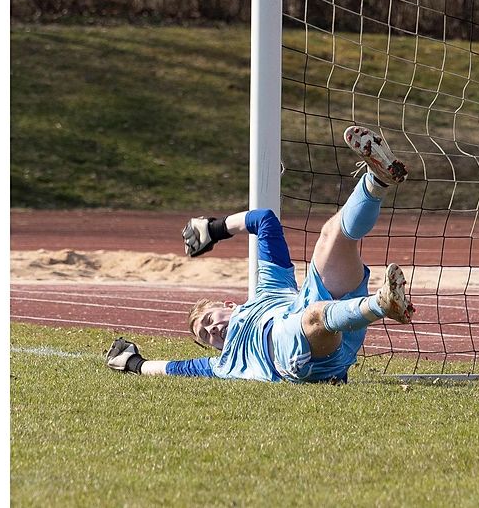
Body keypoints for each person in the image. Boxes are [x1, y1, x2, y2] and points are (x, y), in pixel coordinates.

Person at [104, 126, 415, 384]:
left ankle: (377, 182)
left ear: (228, 305)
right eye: (206, 336)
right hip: (298, 356)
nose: (212, 329)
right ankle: (382, 303)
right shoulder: (227, 363)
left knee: (332, 235)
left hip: (320, 309)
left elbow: (265, 220)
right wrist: (134, 363)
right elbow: (174, 367)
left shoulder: (268, 290)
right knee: (313, 316)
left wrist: (215, 229)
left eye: (209, 320)